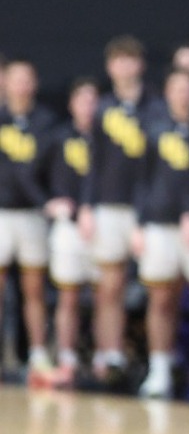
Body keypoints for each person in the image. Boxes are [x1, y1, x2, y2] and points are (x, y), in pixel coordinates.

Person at [80, 35, 153, 385]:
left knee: (157, 286)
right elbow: (92, 163)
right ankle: (107, 352)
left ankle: (158, 361)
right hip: (109, 206)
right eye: (118, 60)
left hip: (148, 211)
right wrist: (87, 206)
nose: (124, 67)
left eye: (130, 59)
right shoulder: (103, 109)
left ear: (140, 65)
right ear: (110, 67)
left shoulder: (154, 108)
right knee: (109, 284)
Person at [132, 68, 189, 400]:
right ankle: (159, 368)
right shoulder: (152, 128)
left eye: (188, 89)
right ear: (167, 92)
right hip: (159, 224)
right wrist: (139, 223)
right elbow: (139, 179)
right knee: (161, 298)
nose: (182, 95)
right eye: (176, 88)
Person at [0, 58, 56, 381]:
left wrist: (46, 201)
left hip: (32, 216)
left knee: (34, 289)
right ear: (5, 83)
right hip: (2, 215)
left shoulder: (46, 122)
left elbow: (43, 172)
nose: (21, 85)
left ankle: (37, 354)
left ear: (34, 83)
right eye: (15, 79)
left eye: (27, 79)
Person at [44, 79, 100, 387]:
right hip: (68, 225)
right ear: (71, 104)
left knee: (105, 295)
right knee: (68, 294)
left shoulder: (109, 139)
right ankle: (67, 358)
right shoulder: (58, 137)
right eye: (82, 100)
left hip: (101, 224)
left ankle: (104, 360)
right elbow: (34, 172)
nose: (88, 107)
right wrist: (47, 202)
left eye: (93, 101)